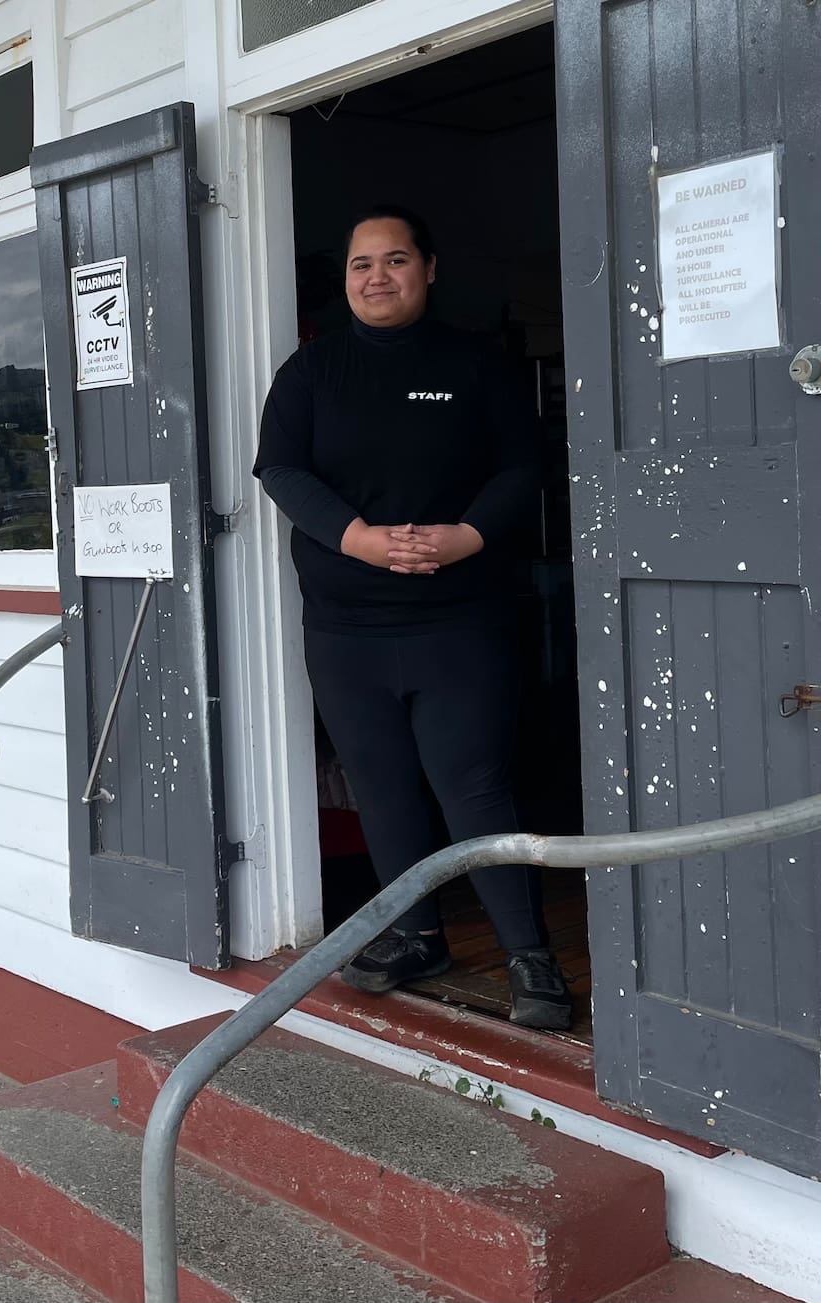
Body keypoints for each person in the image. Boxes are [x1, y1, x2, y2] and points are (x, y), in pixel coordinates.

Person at [253, 204, 572, 1031]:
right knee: (382, 786)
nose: (377, 277)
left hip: (457, 621)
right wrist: (356, 537)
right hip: (346, 629)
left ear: (429, 269)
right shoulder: (311, 372)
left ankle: (528, 955)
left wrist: (467, 535)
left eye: (395, 260)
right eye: (362, 264)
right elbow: (281, 470)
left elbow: (522, 466)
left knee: (475, 786)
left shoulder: (475, 365)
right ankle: (416, 935)